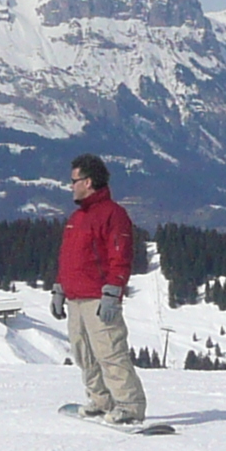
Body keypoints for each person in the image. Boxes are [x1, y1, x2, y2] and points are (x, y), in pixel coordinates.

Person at [56, 153, 149, 426]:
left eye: (74, 181)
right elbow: (69, 256)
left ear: (88, 181)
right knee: (83, 352)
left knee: (110, 352)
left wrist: (112, 291)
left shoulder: (113, 214)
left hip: (98, 297)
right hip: (76, 297)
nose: (70, 186)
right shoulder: (77, 217)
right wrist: (59, 287)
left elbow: (120, 256)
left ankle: (129, 406)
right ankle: (101, 400)